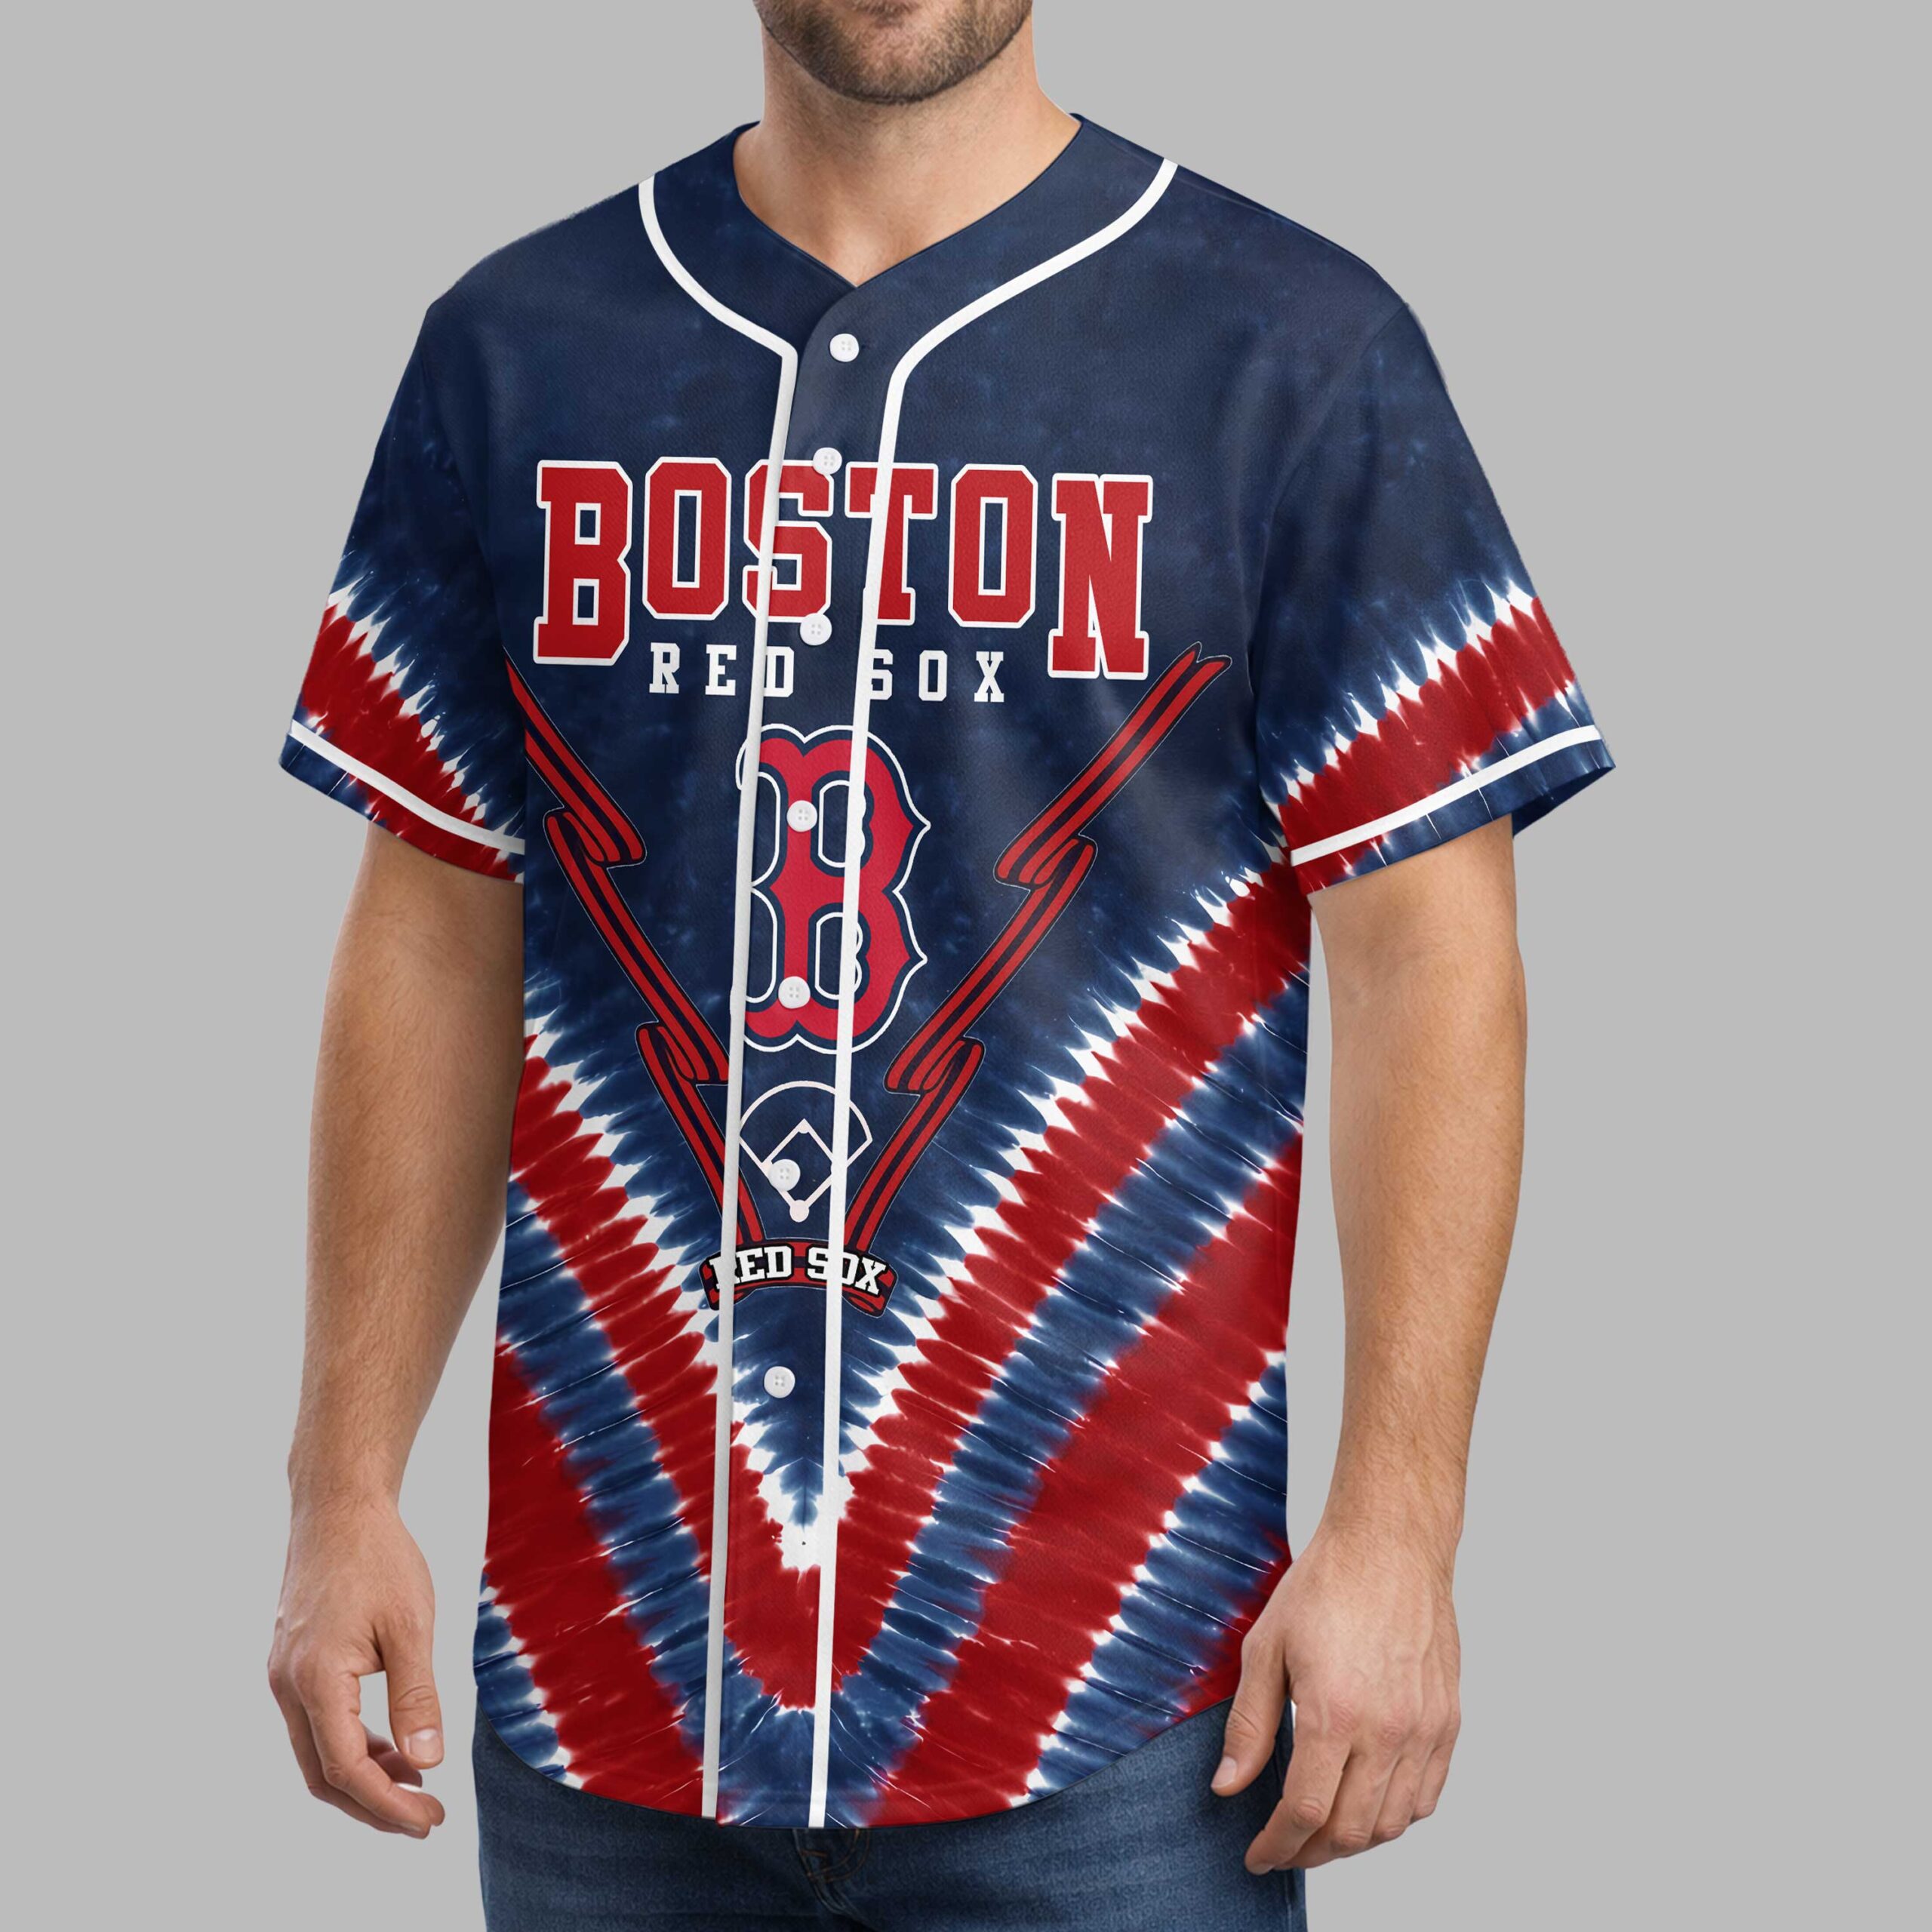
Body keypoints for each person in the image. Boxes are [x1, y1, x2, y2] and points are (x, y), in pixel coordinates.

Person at [267, 2, 1612, 1925]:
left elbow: (1427, 955)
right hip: (608, 1681)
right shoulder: (518, 347)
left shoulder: (1292, 349)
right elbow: (432, 929)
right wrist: (339, 1488)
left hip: (1121, 1692)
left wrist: (1399, 1531)